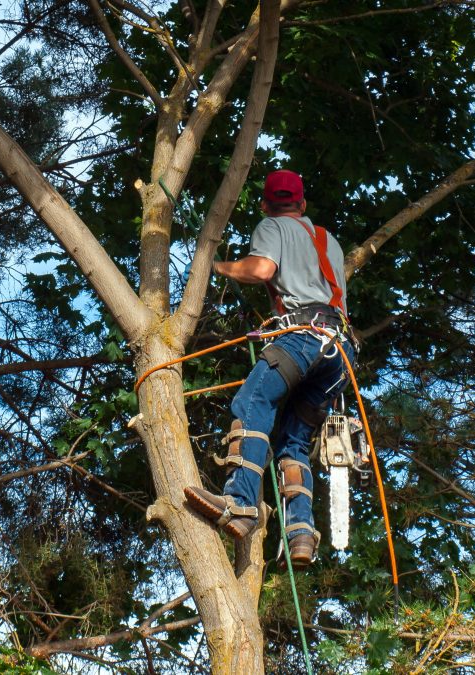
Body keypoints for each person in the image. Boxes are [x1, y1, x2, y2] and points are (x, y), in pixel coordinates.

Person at [183, 169, 355, 569]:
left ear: (265, 204)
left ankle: (241, 504)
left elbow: (261, 270)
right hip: (340, 352)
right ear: (303, 204)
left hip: (304, 337)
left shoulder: (271, 225)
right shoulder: (329, 241)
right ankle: (300, 535)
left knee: (254, 401)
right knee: (294, 442)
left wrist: (220, 267)